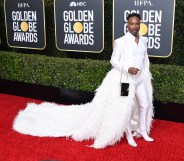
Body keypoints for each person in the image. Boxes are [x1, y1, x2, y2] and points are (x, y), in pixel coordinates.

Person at [13, 13, 154, 149]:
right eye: (132, 24)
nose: (135, 26)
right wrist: (127, 68)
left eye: (137, 24)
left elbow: (145, 59)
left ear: (140, 24)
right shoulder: (120, 41)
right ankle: (129, 135)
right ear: (128, 25)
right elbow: (113, 60)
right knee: (126, 108)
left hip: (141, 79)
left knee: (145, 104)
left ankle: (142, 130)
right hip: (125, 80)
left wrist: (145, 73)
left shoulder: (144, 40)